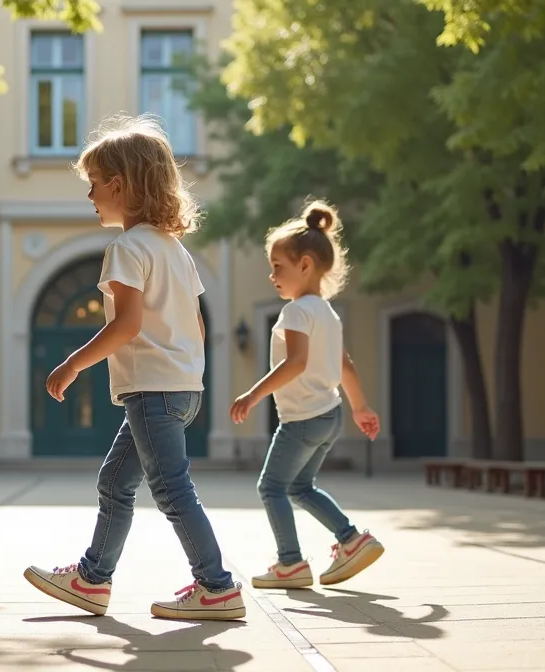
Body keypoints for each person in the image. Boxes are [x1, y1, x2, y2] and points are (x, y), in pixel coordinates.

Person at [23, 114, 244, 621]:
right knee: (116, 482)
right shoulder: (175, 251)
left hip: (152, 391)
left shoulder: (126, 248)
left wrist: (72, 363)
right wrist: (189, 375)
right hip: (180, 390)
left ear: (120, 185)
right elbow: (198, 326)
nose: (90, 196)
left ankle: (217, 587)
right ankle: (92, 580)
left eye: (95, 185)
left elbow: (126, 326)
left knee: (170, 489)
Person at [229, 200, 384, 589]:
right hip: (330, 416)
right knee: (299, 487)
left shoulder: (297, 312)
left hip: (302, 420)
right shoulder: (328, 313)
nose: (271, 275)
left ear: (306, 265)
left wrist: (251, 395)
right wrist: (360, 407)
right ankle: (351, 539)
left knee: (271, 487)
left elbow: (296, 363)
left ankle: (290, 563)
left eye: (278, 267)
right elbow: (344, 364)